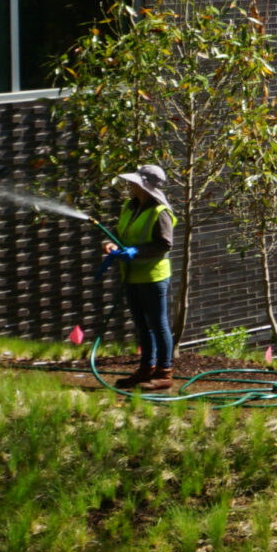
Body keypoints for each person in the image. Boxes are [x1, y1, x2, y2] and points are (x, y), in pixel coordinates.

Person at [105, 164, 177, 387]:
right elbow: (119, 232)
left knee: (158, 323)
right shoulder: (130, 206)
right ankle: (147, 368)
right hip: (131, 275)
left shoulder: (160, 212)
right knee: (140, 324)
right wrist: (109, 243)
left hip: (152, 276)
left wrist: (136, 252)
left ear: (145, 186)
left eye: (134, 182)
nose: (130, 185)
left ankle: (164, 373)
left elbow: (165, 244)